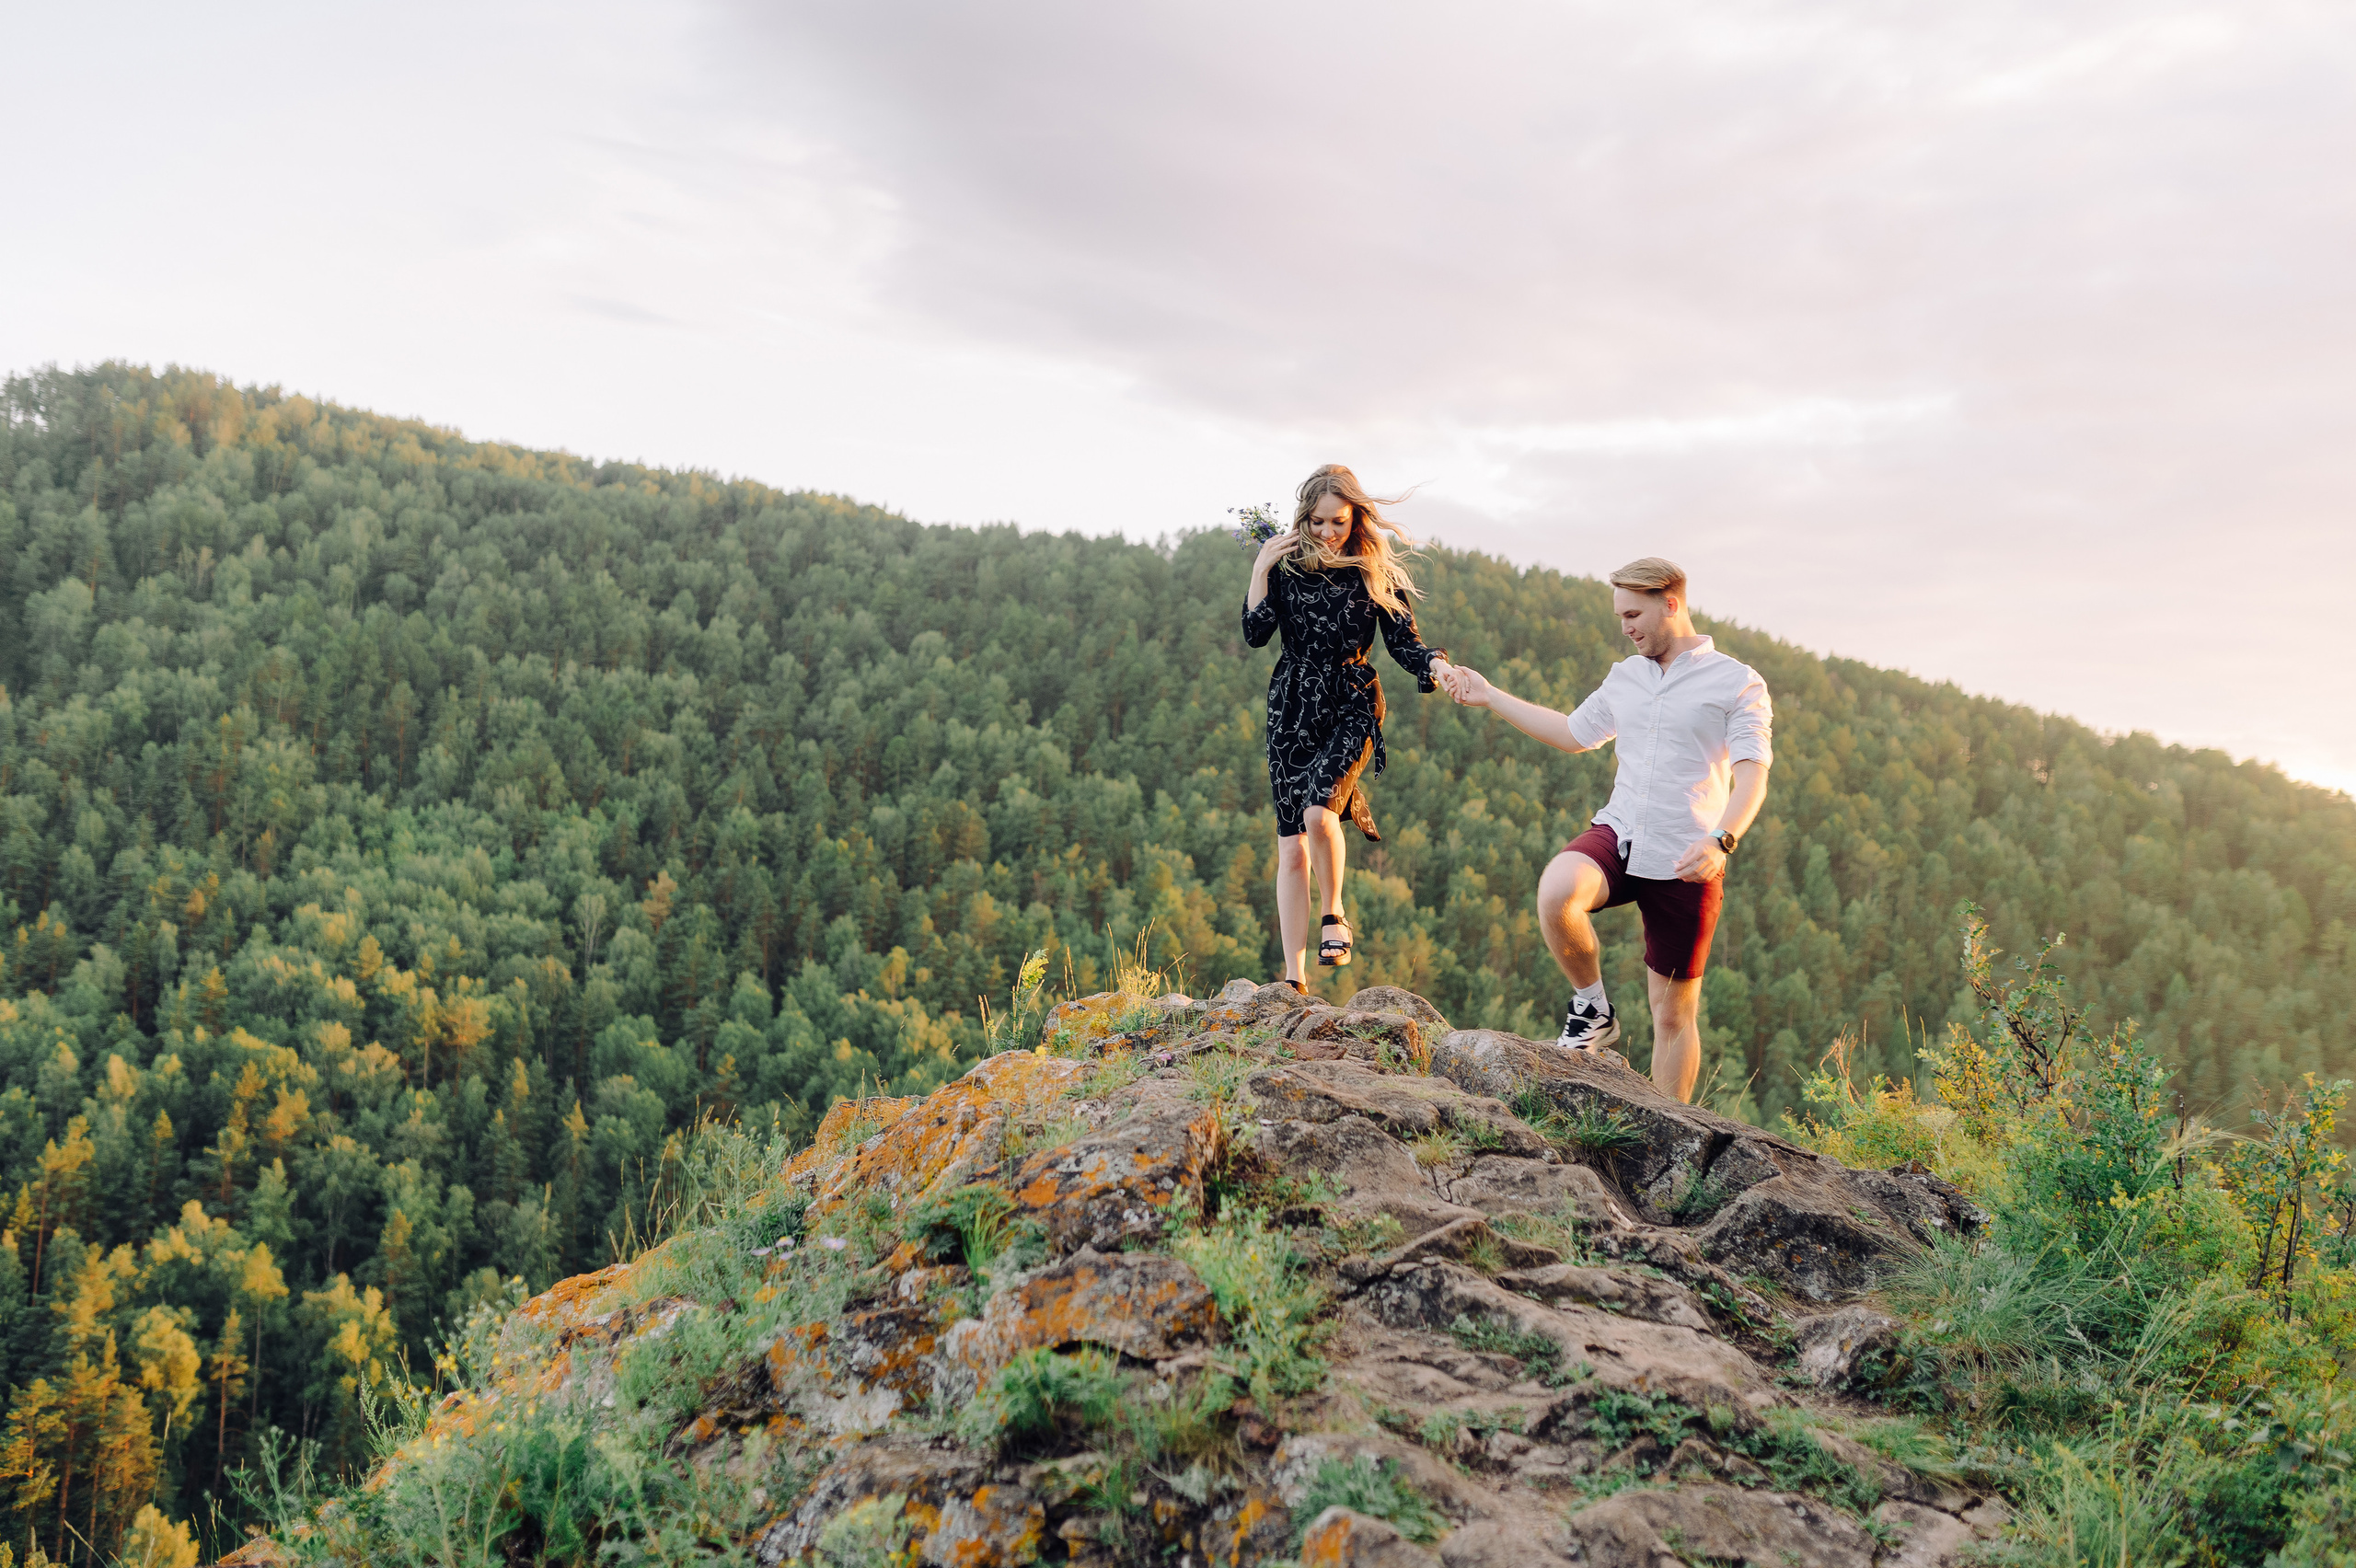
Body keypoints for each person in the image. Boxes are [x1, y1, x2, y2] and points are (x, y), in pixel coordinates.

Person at [1438, 557, 1770, 1102]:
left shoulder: (1737, 683)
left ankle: (1674, 1135)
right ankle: (1592, 1007)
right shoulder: (1626, 676)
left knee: (1672, 1016)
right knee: (1557, 891)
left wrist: (1722, 840)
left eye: (1634, 614)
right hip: (1620, 833)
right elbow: (1573, 733)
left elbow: (1752, 775)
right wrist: (1491, 696)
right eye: (1620, 616)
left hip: (1687, 857)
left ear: (1672, 604)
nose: (1626, 627)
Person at [1244, 465, 1455, 987]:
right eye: (1315, 522)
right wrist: (1260, 569)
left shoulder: (1374, 573)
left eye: (1336, 521)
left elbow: (1405, 643)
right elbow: (1255, 634)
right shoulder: (1287, 568)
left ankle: (1334, 915)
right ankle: (1293, 980)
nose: (1325, 532)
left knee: (1320, 812)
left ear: (1356, 517)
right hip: (1291, 710)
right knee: (1291, 847)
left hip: (1352, 702)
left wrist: (1438, 667)